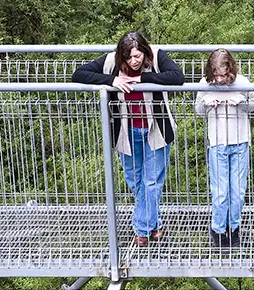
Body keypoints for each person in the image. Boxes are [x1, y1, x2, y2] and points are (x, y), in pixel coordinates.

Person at [72, 31, 185, 246]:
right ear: (121, 56)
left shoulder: (157, 55)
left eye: (138, 56)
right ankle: (155, 224)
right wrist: (112, 80)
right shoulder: (110, 62)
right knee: (136, 182)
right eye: (129, 58)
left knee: (151, 182)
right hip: (127, 132)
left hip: (157, 131)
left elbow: (177, 77)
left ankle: (141, 231)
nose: (134, 62)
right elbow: (79, 74)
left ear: (144, 51)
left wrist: (142, 78)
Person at [194, 48, 254, 249]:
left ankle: (234, 227)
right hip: (218, 142)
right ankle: (218, 228)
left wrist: (241, 101)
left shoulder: (243, 82)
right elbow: (198, 111)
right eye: (216, 75)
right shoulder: (205, 83)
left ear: (231, 70)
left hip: (240, 141)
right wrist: (206, 103)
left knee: (237, 191)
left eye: (223, 75)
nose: (220, 80)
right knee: (220, 192)